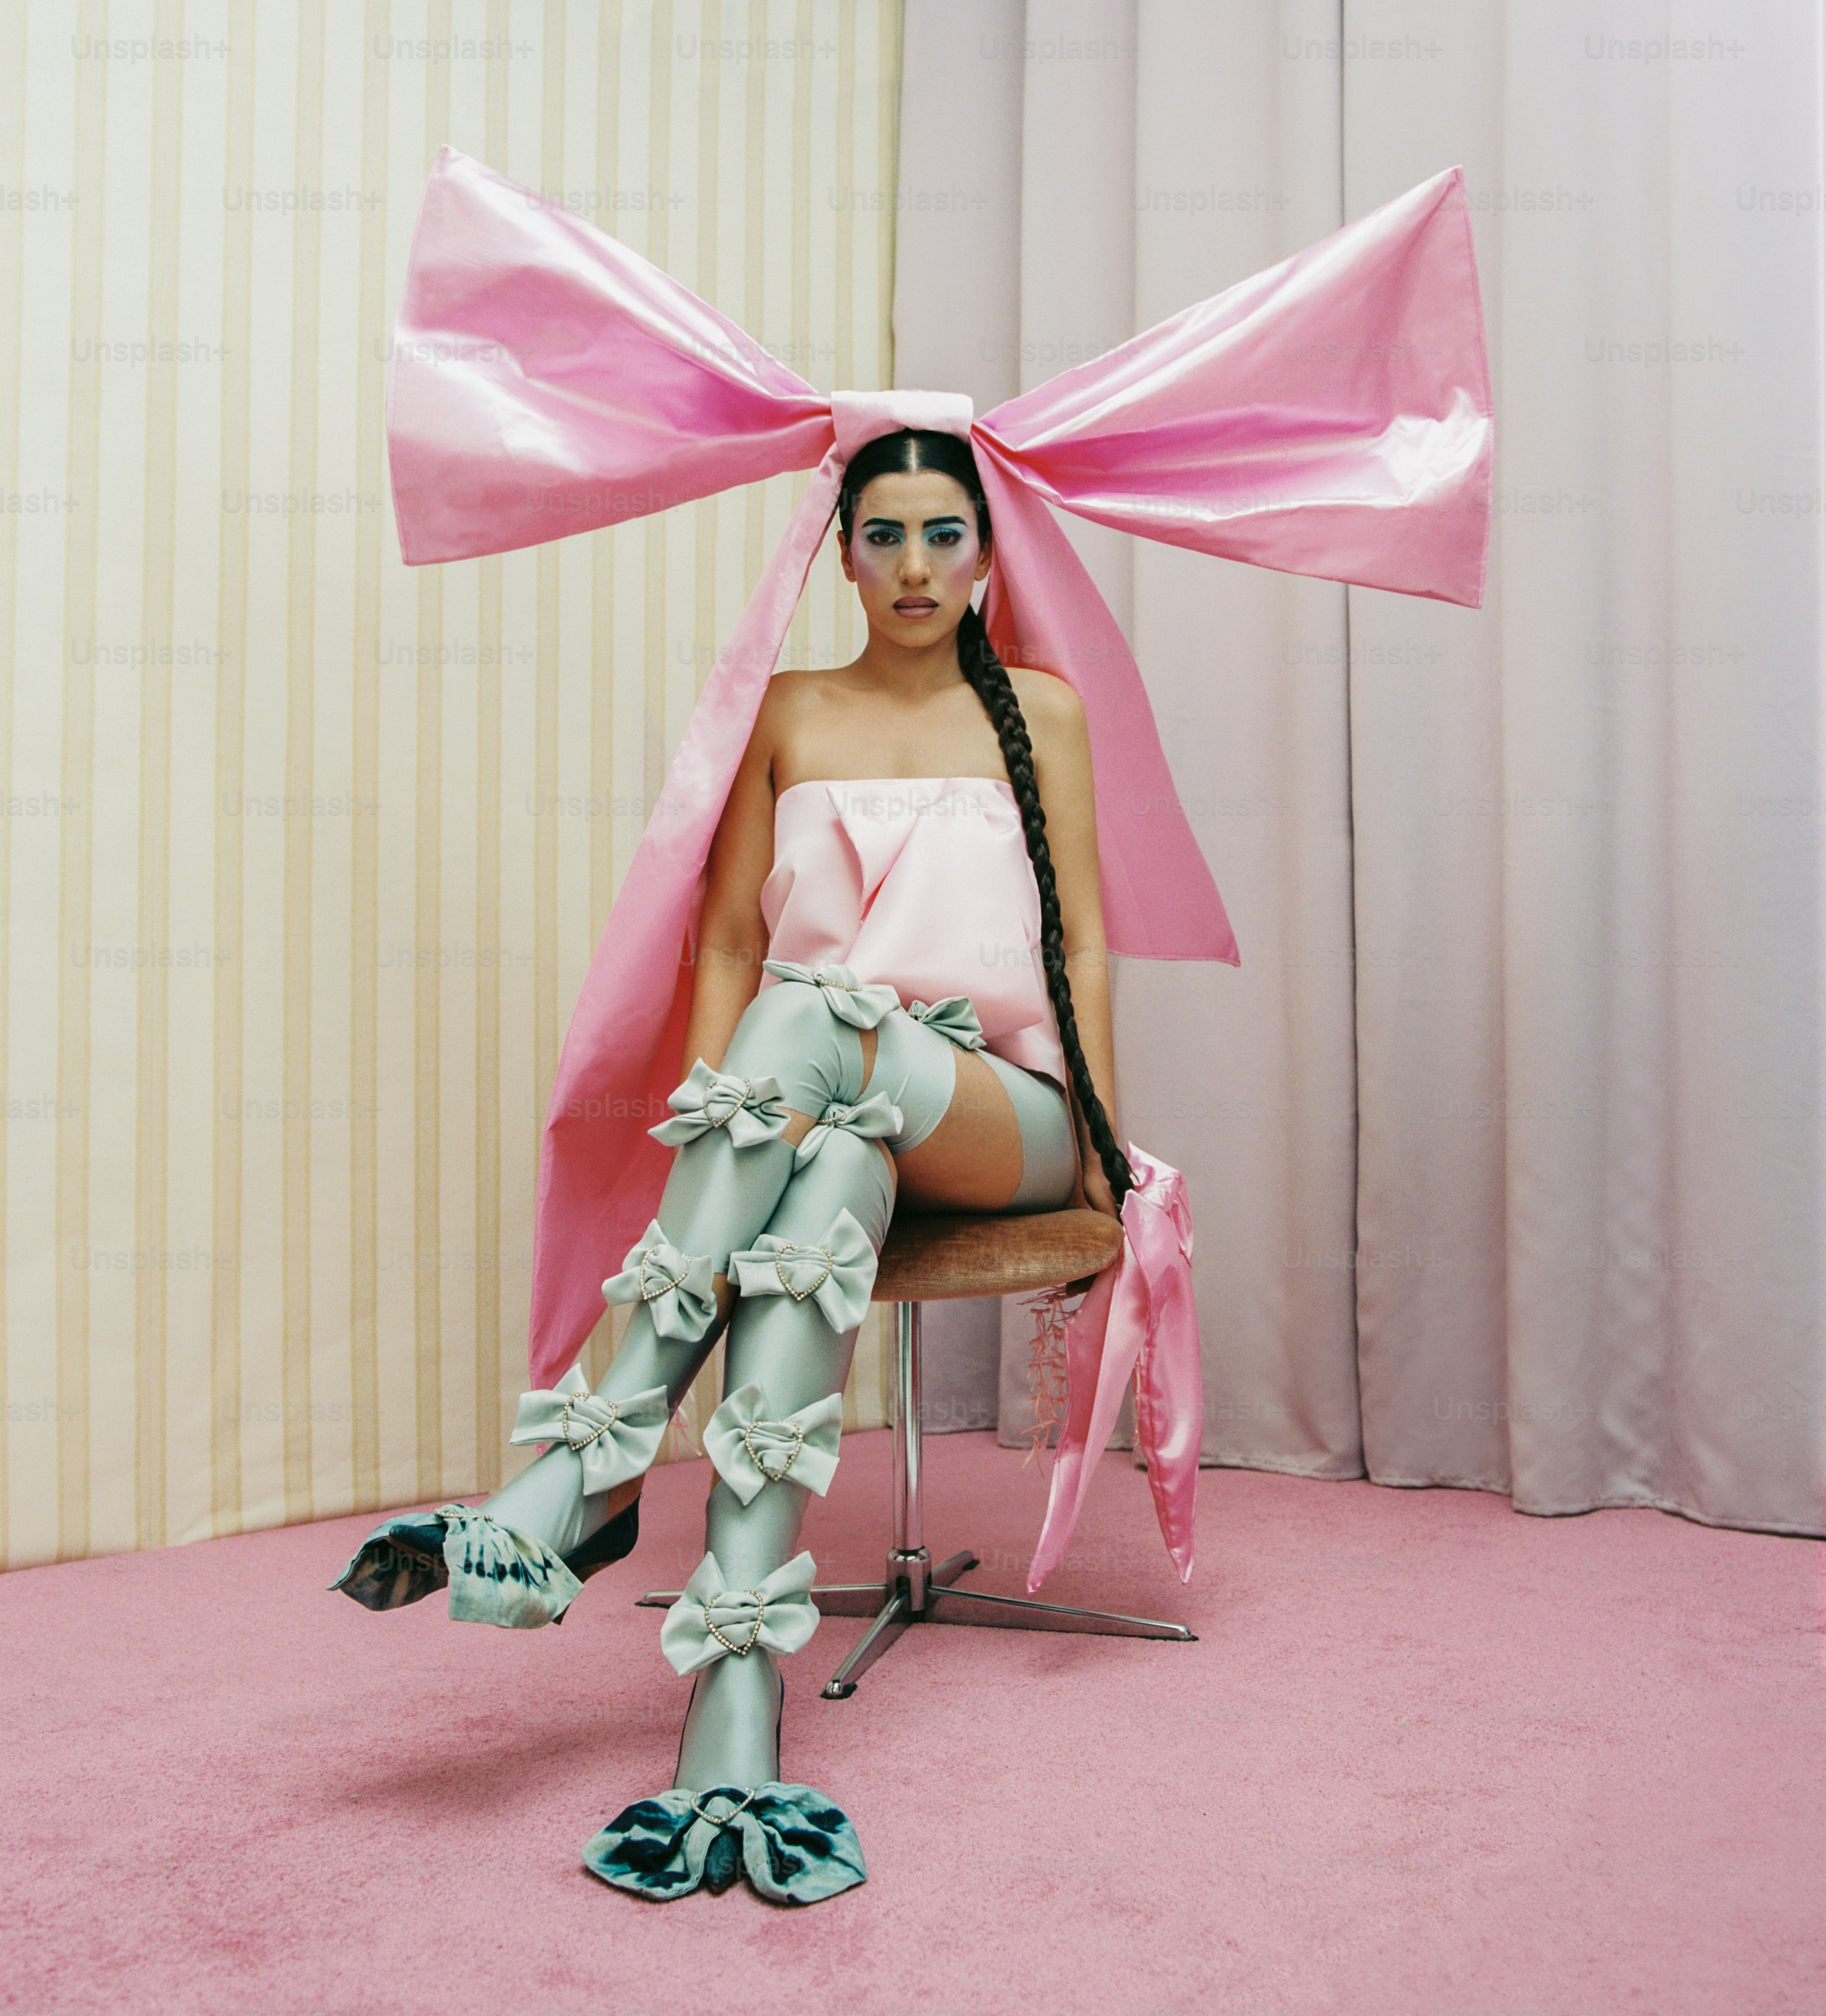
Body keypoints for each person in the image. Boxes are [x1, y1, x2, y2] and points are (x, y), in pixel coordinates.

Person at [330, 427, 1133, 1905]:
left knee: (808, 1019)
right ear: (837, 553)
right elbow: (717, 942)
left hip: (1008, 1115)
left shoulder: (1045, 715)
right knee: (820, 1181)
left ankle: (586, 1468)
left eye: (941, 534)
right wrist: (720, 1133)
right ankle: (732, 1729)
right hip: (826, 1111)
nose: (910, 565)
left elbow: (1081, 939)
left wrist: (1098, 1139)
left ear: (984, 554)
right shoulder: (784, 712)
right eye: (881, 534)